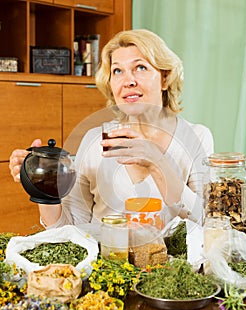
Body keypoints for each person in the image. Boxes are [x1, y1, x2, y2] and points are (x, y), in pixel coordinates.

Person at [9, 29, 214, 229]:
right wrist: (43, 188)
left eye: (140, 68)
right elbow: (70, 228)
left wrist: (158, 163)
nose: (128, 81)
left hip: (170, 262)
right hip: (106, 261)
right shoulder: (94, 140)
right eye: (117, 71)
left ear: (165, 78)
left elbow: (208, 221)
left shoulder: (196, 137)